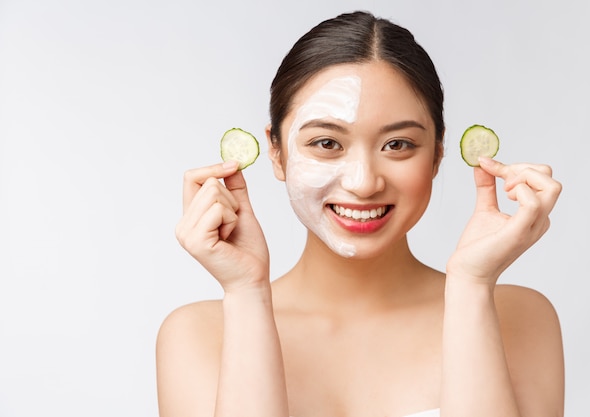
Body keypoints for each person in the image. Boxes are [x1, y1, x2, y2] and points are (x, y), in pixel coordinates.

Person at [156, 10, 564, 417]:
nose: (364, 182)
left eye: (398, 144)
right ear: (276, 153)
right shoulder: (199, 335)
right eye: (327, 143)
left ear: (438, 153)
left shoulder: (521, 318)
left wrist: (472, 286)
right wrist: (247, 294)